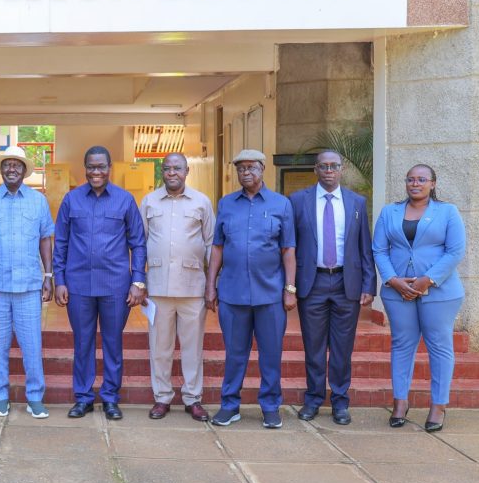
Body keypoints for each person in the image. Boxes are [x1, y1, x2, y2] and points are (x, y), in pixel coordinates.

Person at [53, 146, 146, 420]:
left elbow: (138, 243)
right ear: (85, 168)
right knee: (82, 343)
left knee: (112, 342)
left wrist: (138, 281)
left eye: (101, 166)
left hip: (116, 285)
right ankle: (83, 397)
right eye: (91, 167)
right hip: (78, 284)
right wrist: (59, 279)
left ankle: (110, 397)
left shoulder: (125, 200)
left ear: (109, 168)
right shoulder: (71, 200)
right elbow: (61, 243)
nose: (96, 172)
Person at [206, 150, 297, 429]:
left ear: (262, 170)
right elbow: (218, 248)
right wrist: (211, 285)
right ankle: (229, 405)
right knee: (235, 353)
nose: (246, 173)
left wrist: (290, 288)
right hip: (233, 293)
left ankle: (270, 407)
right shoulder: (226, 204)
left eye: (251, 168)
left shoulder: (281, 204)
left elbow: (288, 249)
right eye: (241, 168)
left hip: (269, 293)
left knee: (271, 353)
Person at [373, 164, 465, 432]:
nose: (415, 183)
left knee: (439, 346)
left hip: (439, 291)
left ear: (433, 183)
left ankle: (438, 406)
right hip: (397, 291)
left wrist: (427, 280)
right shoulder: (389, 212)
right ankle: (400, 402)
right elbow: (379, 249)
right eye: (411, 179)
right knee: (402, 344)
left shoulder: (448, 212)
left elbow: (455, 251)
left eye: (422, 179)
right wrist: (392, 280)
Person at [289, 150, 376, 426]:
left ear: (342, 169)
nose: (329, 170)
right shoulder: (298, 201)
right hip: (311, 282)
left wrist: (368, 284)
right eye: (324, 166)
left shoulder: (357, 202)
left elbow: (365, 247)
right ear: (315, 169)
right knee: (313, 346)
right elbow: (290, 246)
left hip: (344, 283)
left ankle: (340, 401)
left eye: (334, 166)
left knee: (342, 347)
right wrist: (289, 285)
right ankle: (313, 399)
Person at [0, 146, 54, 418]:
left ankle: (34, 397)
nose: (11, 169)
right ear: (1, 168)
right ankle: (1, 396)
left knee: (32, 345)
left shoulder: (38, 201)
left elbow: (45, 239)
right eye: (7, 164)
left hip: (29, 285)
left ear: (24, 170)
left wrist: (48, 276)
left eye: (17, 165)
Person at [139, 152, 215, 422]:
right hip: (158, 287)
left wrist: (212, 285)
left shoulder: (201, 202)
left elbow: (210, 244)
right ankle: (162, 397)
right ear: (162, 171)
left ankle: (193, 398)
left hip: (193, 287)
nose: (172, 173)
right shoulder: (148, 201)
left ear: (187, 171)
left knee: (193, 348)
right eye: (167, 168)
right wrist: (138, 280)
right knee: (160, 347)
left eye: (177, 168)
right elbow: (140, 244)